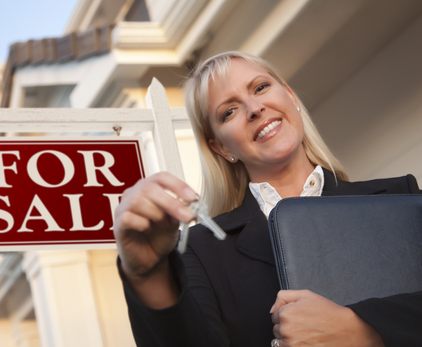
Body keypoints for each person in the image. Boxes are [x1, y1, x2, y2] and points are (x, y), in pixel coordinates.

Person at [113, 51, 422, 347]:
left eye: (261, 87)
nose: (254, 108)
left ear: (290, 96)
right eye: (229, 111)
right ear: (222, 148)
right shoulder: (200, 251)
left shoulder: (402, 196)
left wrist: (364, 330)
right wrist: (147, 273)